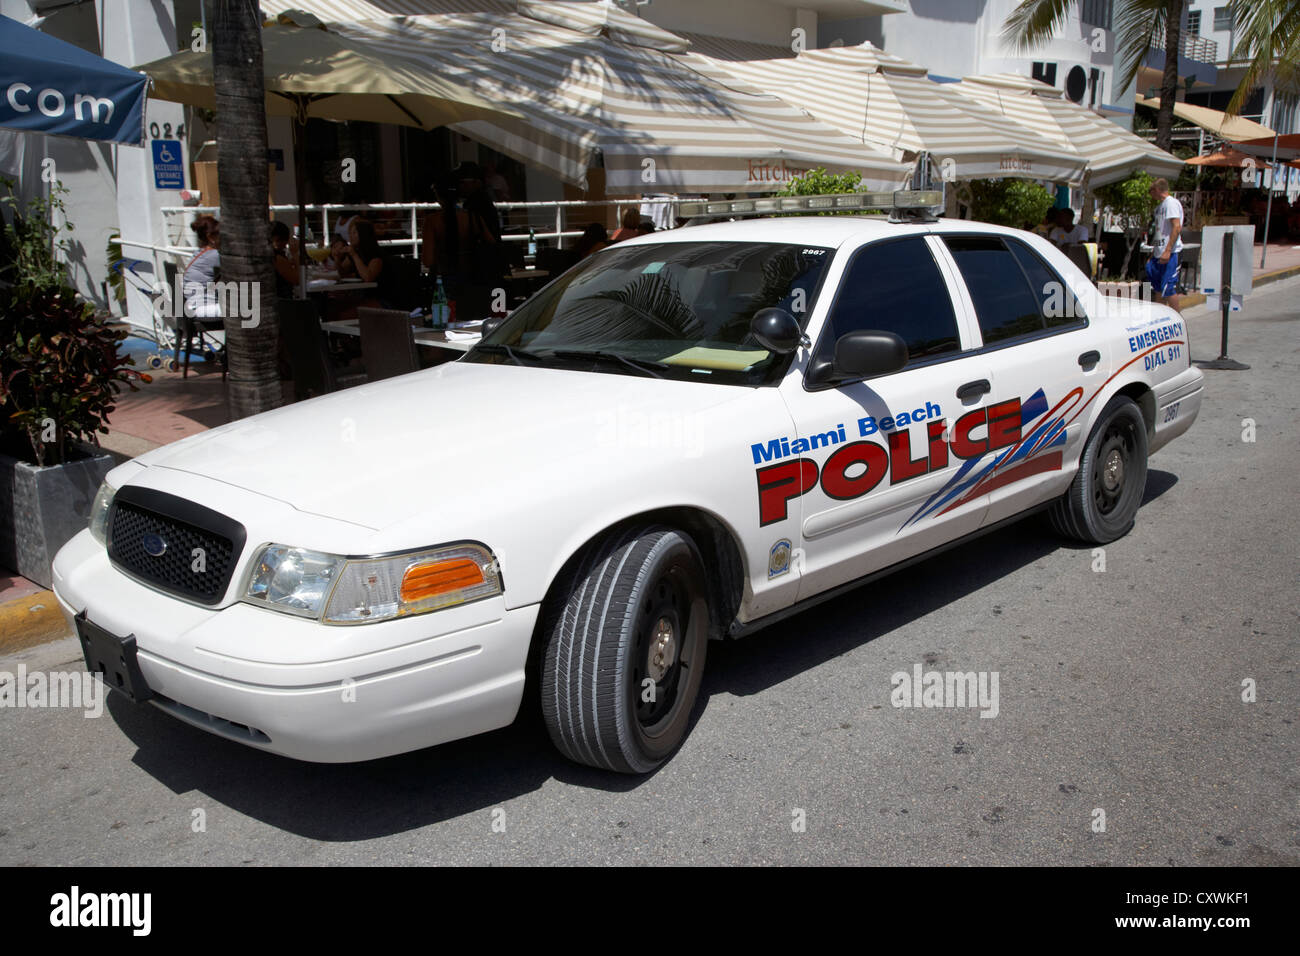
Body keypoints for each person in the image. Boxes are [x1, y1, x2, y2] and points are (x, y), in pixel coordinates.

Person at [421, 178, 497, 316]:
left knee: (446, 321)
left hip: (443, 279)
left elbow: (428, 260)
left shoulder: (432, 221)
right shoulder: (472, 217)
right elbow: (491, 243)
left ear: (438, 196)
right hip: (472, 276)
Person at [1146, 178, 1183, 311]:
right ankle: (1160, 316)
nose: (1151, 196)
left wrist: (1168, 250)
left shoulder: (1171, 203)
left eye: (1151, 192)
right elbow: (1160, 232)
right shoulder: (1159, 207)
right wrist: (1153, 253)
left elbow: (1176, 227)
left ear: (1156, 190)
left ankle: (1177, 319)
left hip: (1171, 252)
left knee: (1168, 287)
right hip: (1159, 252)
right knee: (1158, 287)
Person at [182, 214, 222, 319]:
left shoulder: (199, 253)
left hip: (192, 305)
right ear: (210, 237)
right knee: (249, 310)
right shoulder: (215, 255)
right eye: (220, 235)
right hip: (200, 308)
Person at [269, 221, 299, 298]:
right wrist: (295, 254)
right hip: (283, 302)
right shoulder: (276, 258)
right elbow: (298, 279)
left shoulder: (271, 255)